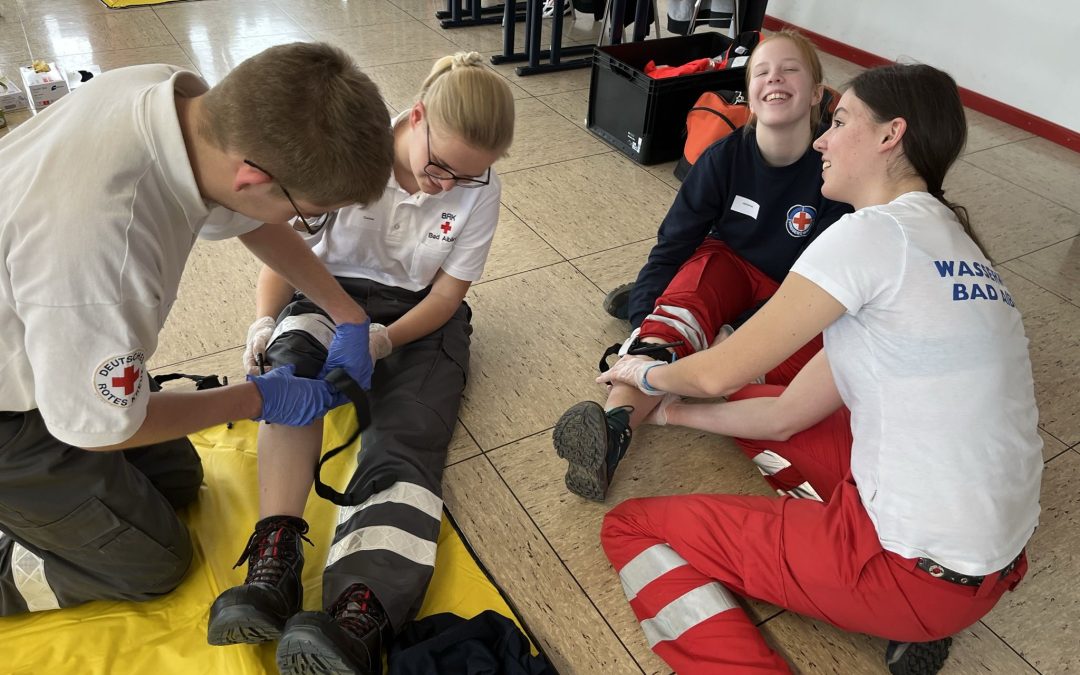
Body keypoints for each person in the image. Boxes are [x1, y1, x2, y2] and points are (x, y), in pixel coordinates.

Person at [596, 63, 1041, 675]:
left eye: (840, 121)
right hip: (987, 569)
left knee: (632, 527)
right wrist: (670, 415)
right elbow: (785, 415)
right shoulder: (956, 243)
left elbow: (714, 375)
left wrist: (640, 374)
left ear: (890, 135)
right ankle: (893, 612)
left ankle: (861, 616)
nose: (823, 140)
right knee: (760, 395)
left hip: (909, 573)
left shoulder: (869, 235)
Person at [0, 42, 395, 617]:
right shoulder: (105, 255)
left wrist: (348, 313)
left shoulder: (175, 101)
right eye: (307, 214)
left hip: (45, 338)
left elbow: (248, 212)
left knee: (180, 480)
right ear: (253, 175)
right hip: (9, 414)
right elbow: (103, 432)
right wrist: (258, 398)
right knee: (154, 563)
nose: (301, 224)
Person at [205, 52, 515, 675]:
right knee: (290, 380)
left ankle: (360, 609)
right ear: (416, 117)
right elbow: (283, 249)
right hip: (326, 292)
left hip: (419, 318)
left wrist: (384, 341)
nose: (447, 186)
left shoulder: (480, 188)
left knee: (407, 433)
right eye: (439, 167)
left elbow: (447, 297)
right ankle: (274, 558)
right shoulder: (349, 155)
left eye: (468, 177)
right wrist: (265, 321)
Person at [553, 30, 851, 502]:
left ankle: (696, 333)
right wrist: (646, 320)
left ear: (816, 93)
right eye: (761, 71)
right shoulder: (723, 158)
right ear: (749, 92)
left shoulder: (834, 172)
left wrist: (737, 332)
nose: (774, 77)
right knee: (670, 325)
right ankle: (610, 434)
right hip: (728, 265)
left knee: (765, 371)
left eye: (790, 69)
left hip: (799, 291)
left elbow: (826, 281)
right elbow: (675, 242)